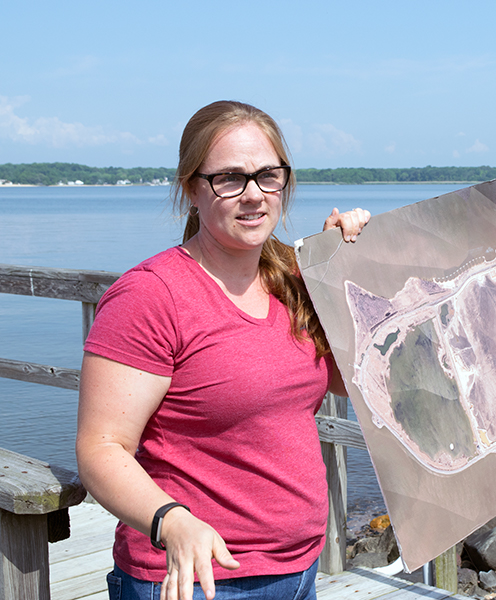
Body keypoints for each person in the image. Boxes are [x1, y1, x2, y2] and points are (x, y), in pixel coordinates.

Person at [76, 100, 370, 600]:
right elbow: (101, 448)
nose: (253, 195)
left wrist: (342, 272)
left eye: (267, 175)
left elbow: (358, 379)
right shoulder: (151, 296)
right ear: (192, 188)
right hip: (196, 578)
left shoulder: (293, 280)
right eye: (229, 178)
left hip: (298, 570)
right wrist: (169, 521)